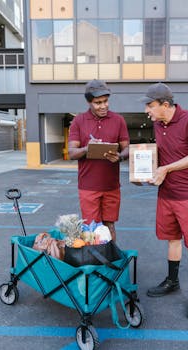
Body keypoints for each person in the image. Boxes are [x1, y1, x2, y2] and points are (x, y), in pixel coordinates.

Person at [140, 82, 188, 320]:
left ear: (165, 105)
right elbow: (159, 156)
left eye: (150, 105)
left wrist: (166, 169)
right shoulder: (159, 125)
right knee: (172, 240)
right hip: (167, 194)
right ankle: (173, 281)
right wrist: (145, 173)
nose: (147, 110)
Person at [68, 79, 129, 241]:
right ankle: (94, 264)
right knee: (91, 229)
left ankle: (111, 263)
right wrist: (88, 148)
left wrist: (120, 156)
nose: (103, 106)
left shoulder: (118, 120)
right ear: (89, 103)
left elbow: (127, 148)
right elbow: (72, 152)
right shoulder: (79, 121)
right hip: (88, 187)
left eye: (106, 101)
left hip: (111, 186)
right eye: (98, 103)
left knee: (109, 226)